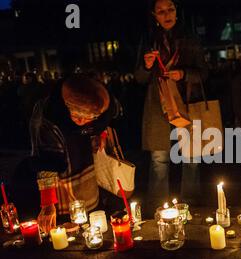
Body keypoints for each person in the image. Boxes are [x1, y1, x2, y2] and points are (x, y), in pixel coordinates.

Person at [135, 0, 208, 208]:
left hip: (185, 103)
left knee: (191, 155)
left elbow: (204, 72)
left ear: (177, 11)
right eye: (161, 11)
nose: (166, 15)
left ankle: (191, 202)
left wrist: (184, 74)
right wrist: (146, 66)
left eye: (170, 10)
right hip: (158, 106)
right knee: (159, 158)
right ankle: (159, 205)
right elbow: (139, 77)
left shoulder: (190, 38)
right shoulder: (149, 40)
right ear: (154, 15)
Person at [30, 74, 121, 233]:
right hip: (63, 176)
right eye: (78, 116)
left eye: (91, 117)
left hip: (87, 172)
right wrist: (48, 204)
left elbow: (108, 118)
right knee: (68, 228)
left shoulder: (104, 103)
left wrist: (102, 133)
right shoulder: (49, 118)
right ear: (68, 105)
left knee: (91, 221)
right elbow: (46, 161)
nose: (84, 122)